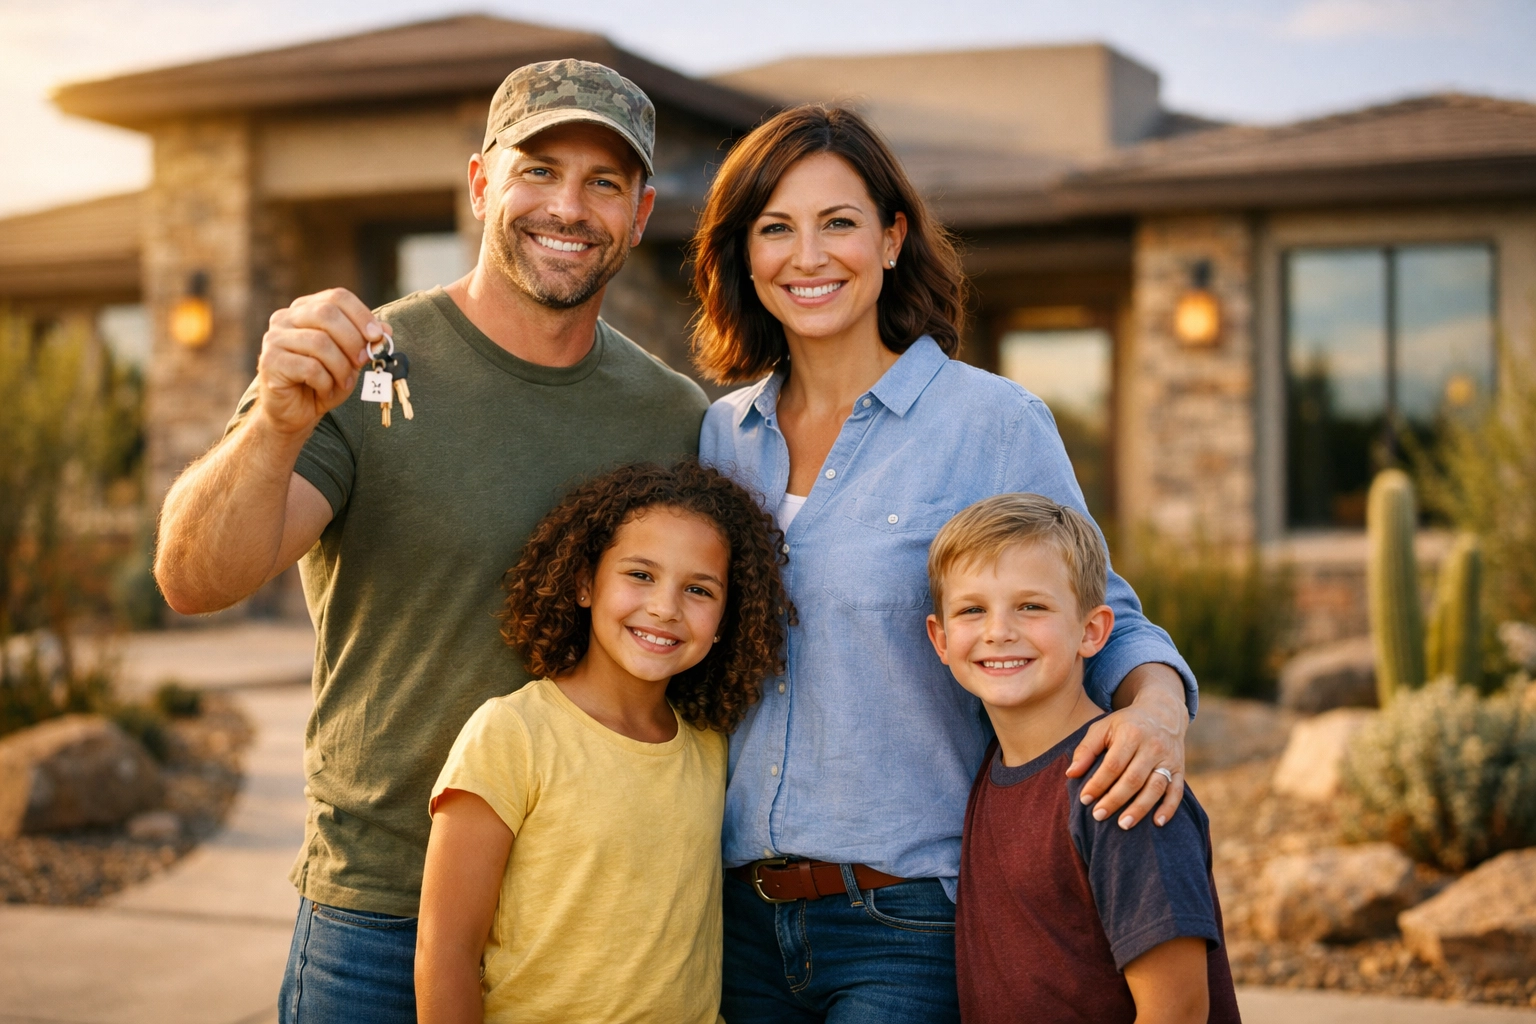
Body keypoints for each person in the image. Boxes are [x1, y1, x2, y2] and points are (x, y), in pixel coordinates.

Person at [152, 61, 708, 1023]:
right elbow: (193, 579)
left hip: (591, 914)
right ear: (483, 182)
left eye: (603, 183)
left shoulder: (672, 414)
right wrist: (276, 424)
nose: (568, 206)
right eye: (538, 170)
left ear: (640, 213)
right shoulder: (359, 365)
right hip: (381, 911)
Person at [691, 104, 1201, 1021]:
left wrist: (1158, 711)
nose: (808, 256)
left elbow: (1102, 609)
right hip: (731, 924)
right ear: (746, 254)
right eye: (776, 229)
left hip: (906, 920)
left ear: (891, 239)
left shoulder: (991, 423)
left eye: (838, 223)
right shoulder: (722, 436)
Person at [415, 461, 789, 1024]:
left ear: (725, 618)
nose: (665, 607)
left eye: (698, 589)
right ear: (586, 583)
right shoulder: (513, 733)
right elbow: (445, 955)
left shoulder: (712, 748)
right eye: (640, 575)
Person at [926, 493, 1240, 1024]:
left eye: (1032, 606)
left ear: (1092, 630)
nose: (999, 630)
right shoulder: (993, 769)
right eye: (972, 609)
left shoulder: (1119, 783)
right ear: (940, 638)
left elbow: (1179, 1010)